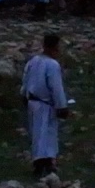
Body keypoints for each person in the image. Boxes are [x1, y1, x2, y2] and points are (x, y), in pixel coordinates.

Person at [22, 33, 72, 178]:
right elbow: (56, 87)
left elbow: (26, 79)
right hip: (44, 103)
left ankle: (43, 162)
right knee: (46, 133)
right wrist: (62, 106)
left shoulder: (33, 61)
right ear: (54, 48)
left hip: (32, 101)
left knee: (38, 133)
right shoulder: (52, 65)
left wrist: (24, 94)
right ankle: (45, 163)